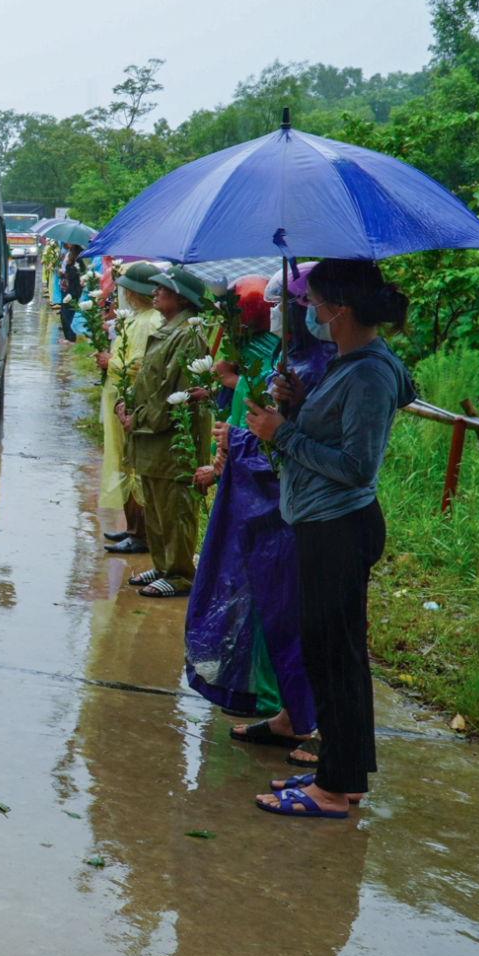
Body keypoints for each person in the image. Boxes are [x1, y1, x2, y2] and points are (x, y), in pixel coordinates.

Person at [244, 258, 415, 819]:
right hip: (321, 524)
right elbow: (335, 431)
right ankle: (341, 776)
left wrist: (282, 432)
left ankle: (334, 791)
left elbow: (358, 466)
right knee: (330, 654)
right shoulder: (350, 363)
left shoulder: (368, 372)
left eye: (314, 303)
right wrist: (295, 404)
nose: (308, 312)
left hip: (339, 527)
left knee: (336, 659)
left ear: (339, 309)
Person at [186, 269, 333, 731]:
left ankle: (306, 718)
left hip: (306, 512)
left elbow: (306, 450)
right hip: (275, 504)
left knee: (295, 616)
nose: (273, 317)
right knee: (269, 604)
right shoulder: (284, 366)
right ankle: (286, 711)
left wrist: (254, 438)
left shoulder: (337, 369)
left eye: (280, 307)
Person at [115, 264, 213, 598]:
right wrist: (128, 409)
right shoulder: (169, 328)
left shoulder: (189, 335)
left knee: (175, 507)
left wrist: (137, 421)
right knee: (156, 506)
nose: (154, 292)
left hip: (173, 439)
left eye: (162, 289)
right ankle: (163, 564)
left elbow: (177, 395)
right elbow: (150, 383)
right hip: (152, 436)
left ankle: (181, 573)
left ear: (183, 299)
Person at [96, 264, 162, 554]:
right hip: (122, 400)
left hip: (133, 402)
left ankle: (140, 535)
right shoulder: (138, 318)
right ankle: (133, 526)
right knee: (125, 462)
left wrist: (110, 362)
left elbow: (142, 365)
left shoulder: (150, 321)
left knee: (133, 465)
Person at [57, 244, 84, 342]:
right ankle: (68, 336)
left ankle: (70, 337)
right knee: (65, 313)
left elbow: (71, 276)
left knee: (68, 314)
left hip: (73, 291)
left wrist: (68, 265)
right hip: (70, 290)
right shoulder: (75, 262)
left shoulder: (77, 263)